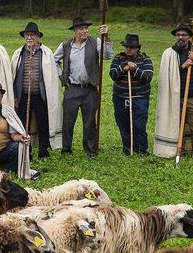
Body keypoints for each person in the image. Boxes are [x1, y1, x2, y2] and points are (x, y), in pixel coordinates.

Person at [155, 23, 193, 158]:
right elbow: (168, 76)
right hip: (176, 97)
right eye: (178, 35)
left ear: (189, 37)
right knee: (176, 125)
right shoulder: (169, 53)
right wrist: (183, 66)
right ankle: (179, 150)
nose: (180, 37)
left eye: (184, 35)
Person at [54, 16, 111, 156]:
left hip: (90, 88)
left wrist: (106, 38)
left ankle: (90, 150)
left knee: (90, 122)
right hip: (72, 89)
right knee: (68, 121)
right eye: (81, 28)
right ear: (74, 30)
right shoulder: (66, 45)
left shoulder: (95, 42)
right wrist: (62, 77)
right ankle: (66, 150)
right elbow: (54, 60)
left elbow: (107, 55)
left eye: (86, 28)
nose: (84, 31)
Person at [11, 22, 60, 158]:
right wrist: (15, 96)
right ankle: (27, 150)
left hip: (40, 96)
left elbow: (51, 77)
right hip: (23, 95)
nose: (29, 38)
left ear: (38, 36)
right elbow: (13, 76)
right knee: (22, 125)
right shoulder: (18, 54)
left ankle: (43, 151)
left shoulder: (46, 53)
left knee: (42, 124)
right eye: (27, 35)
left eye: (32, 35)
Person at [108, 33, 152, 155]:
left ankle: (141, 150)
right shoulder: (118, 58)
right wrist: (123, 67)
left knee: (139, 125)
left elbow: (147, 78)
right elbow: (112, 75)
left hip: (139, 97)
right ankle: (128, 148)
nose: (128, 49)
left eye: (131, 47)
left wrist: (135, 69)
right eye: (126, 46)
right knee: (123, 123)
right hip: (120, 97)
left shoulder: (145, 59)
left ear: (137, 48)